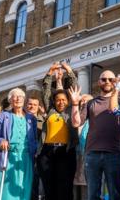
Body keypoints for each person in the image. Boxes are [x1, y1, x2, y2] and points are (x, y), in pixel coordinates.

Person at [71, 70, 120, 200]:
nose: (107, 82)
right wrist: (74, 103)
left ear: (115, 82)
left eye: (111, 79)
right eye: (103, 79)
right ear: (99, 82)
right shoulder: (90, 103)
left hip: (113, 153)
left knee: (114, 194)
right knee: (92, 194)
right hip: (92, 154)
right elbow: (76, 122)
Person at [37, 62, 78, 200]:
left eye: (63, 100)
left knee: (65, 188)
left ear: (68, 101)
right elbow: (46, 91)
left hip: (66, 152)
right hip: (47, 152)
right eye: (58, 100)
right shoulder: (50, 110)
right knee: (49, 188)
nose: (61, 102)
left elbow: (74, 88)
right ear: (54, 102)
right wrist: (50, 73)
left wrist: (69, 71)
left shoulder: (70, 111)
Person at [0, 88, 37, 200]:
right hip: (9, 157)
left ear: (24, 99)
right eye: (15, 96)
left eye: (21, 96)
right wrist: (1, 141)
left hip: (26, 157)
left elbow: (35, 138)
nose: (18, 98)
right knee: (6, 190)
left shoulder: (31, 118)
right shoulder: (4, 115)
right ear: (10, 100)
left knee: (24, 187)